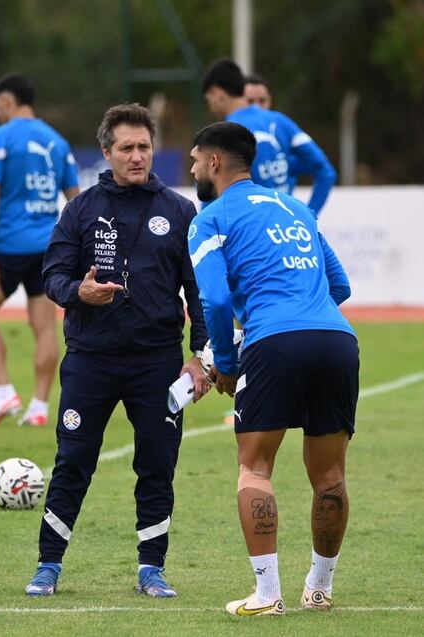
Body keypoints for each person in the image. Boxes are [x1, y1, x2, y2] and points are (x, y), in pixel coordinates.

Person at [25, 104, 209, 597]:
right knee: (74, 460)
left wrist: (200, 356)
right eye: (126, 147)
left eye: (144, 147)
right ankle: (49, 564)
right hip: (91, 358)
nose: (136, 156)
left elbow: (199, 294)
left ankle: (152, 568)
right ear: (106, 152)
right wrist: (76, 293)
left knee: (156, 463)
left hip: (158, 363)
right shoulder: (81, 209)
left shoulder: (179, 210)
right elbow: (53, 276)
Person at [187, 121, 358, 616]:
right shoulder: (296, 207)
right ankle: (319, 588)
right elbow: (340, 285)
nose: (194, 168)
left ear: (214, 162)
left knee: (254, 468)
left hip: (273, 343)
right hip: (336, 338)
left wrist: (227, 359)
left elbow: (216, 300)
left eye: (196, 160)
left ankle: (267, 595)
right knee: (329, 475)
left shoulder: (211, 218)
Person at [0, 73, 79, 427]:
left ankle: (4, 391)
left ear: (8, 101)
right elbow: (75, 199)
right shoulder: (57, 142)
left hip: (9, 246)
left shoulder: (1, 138)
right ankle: (40, 406)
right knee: (44, 327)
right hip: (48, 247)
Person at [201, 58, 336, 216]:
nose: (210, 105)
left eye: (208, 99)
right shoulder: (281, 122)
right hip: (286, 232)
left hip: (250, 233)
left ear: (216, 93)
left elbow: (209, 200)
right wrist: (309, 216)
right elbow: (325, 171)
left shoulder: (222, 135)